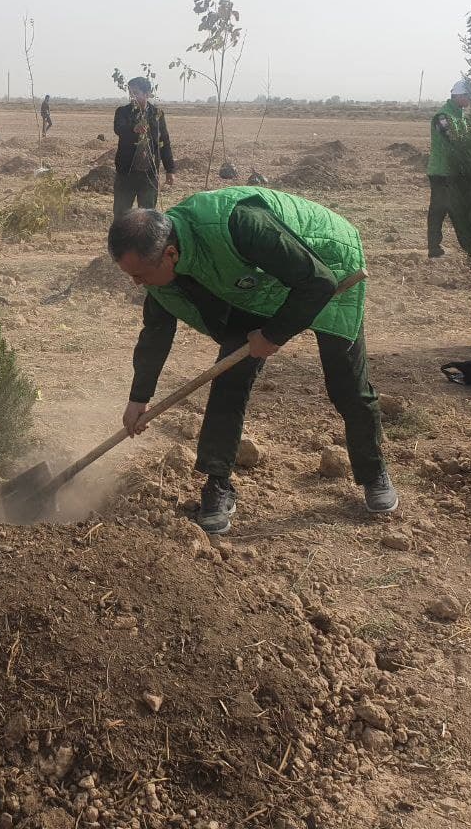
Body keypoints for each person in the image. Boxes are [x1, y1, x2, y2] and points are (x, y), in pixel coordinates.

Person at [109, 187, 397, 534]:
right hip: (259, 283)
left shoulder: (238, 225)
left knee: (346, 383)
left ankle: (374, 473)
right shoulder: (161, 268)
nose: (137, 284)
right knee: (229, 377)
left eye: (139, 275)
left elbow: (318, 280)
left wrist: (273, 335)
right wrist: (139, 397)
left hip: (328, 263)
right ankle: (217, 485)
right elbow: (156, 332)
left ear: (169, 254)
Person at [113, 77, 174, 219]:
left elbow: (163, 142)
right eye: (130, 93)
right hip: (126, 173)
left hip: (149, 174)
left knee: (147, 217)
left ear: (147, 94)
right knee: (121, 215)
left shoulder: (157, 115)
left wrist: (170, 169)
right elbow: (118, 128)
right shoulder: (123, 112)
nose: (132, 96)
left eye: (136, 92)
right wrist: (133, 128)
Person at [426, 80, 471, 257]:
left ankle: (467, 247)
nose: (470, 100)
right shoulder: (442, 117)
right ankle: (434, 249)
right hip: (441, 171)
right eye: (468, 96)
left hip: (453, 171)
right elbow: (453, 138)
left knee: (456, 209)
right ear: (459, 96)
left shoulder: (460, 116)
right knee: (439, 209)